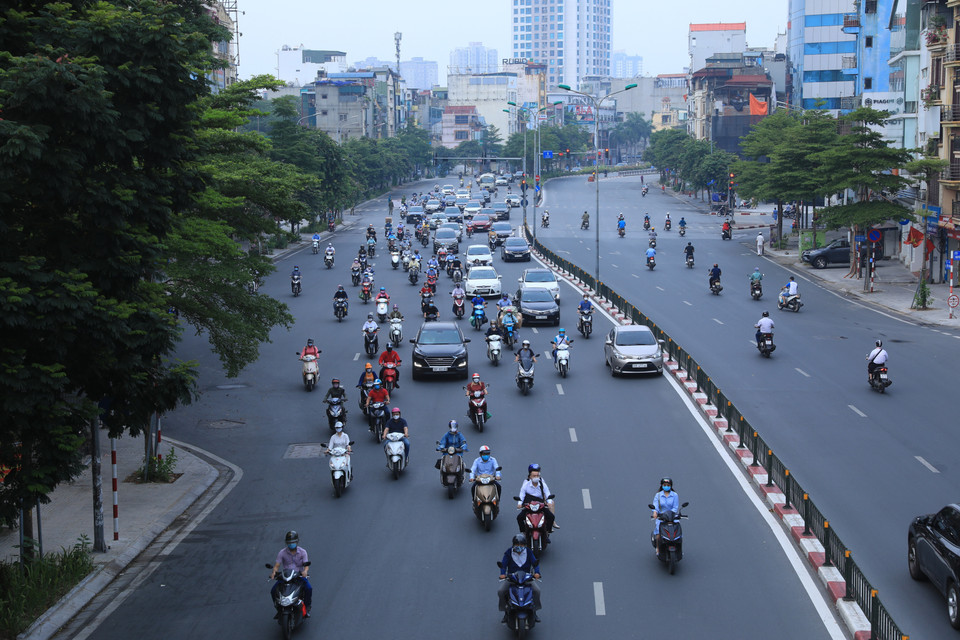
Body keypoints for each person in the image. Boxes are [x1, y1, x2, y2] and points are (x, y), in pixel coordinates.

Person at [498, 534, 541, 623]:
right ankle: (506, 612)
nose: (519, 547)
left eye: (521, 545)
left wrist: (537, 573)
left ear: (524, 545)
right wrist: (502, 574)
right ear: (513, 545)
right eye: (517, 545)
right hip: (512, 578)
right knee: (501, 591)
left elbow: (535, 563)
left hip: (526, 578)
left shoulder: (529, 552)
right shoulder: (508, 552)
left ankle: (534, 611)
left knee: (537, 591)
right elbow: (503, 565)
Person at [269, 531, 312, 618]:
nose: (291, 544)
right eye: (289, 542)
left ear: (297, 542)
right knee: (273, 590)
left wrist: (305, 571)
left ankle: (306, 607)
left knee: (308, 588)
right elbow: (277, 566)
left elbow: (306, 565)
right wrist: (274, 573)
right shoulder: (282, 552)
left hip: (298, 575)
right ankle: (279, 609)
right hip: (286, 576)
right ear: (286, 543)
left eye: (293, 542)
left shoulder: (303, 552)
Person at [516, 463, 556, 534]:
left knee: (551, 517)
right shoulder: (526, 485)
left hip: (540, 505)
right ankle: (523, 532)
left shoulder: (542, 484)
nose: (536, 477)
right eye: (534, 476)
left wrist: (549, 501)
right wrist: (519, 503)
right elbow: (521, 495)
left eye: (537, 476)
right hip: (529, 505)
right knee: (519, 518)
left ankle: (547, 531)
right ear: (530, 476)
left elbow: (547, 493)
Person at [651, 478, 680, 553]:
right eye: (664, 485)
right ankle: (658, 548)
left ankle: (679, 549)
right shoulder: (658, 495)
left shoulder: (675, 495)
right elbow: (655, 505)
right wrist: (655, 512)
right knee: (658, 533)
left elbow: (675, 507)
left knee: (678, 532)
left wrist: (670, 515)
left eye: (668, 485)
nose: (666, 486)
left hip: (672, 516)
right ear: (662, 486)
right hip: (661, 517)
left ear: (671, 486)